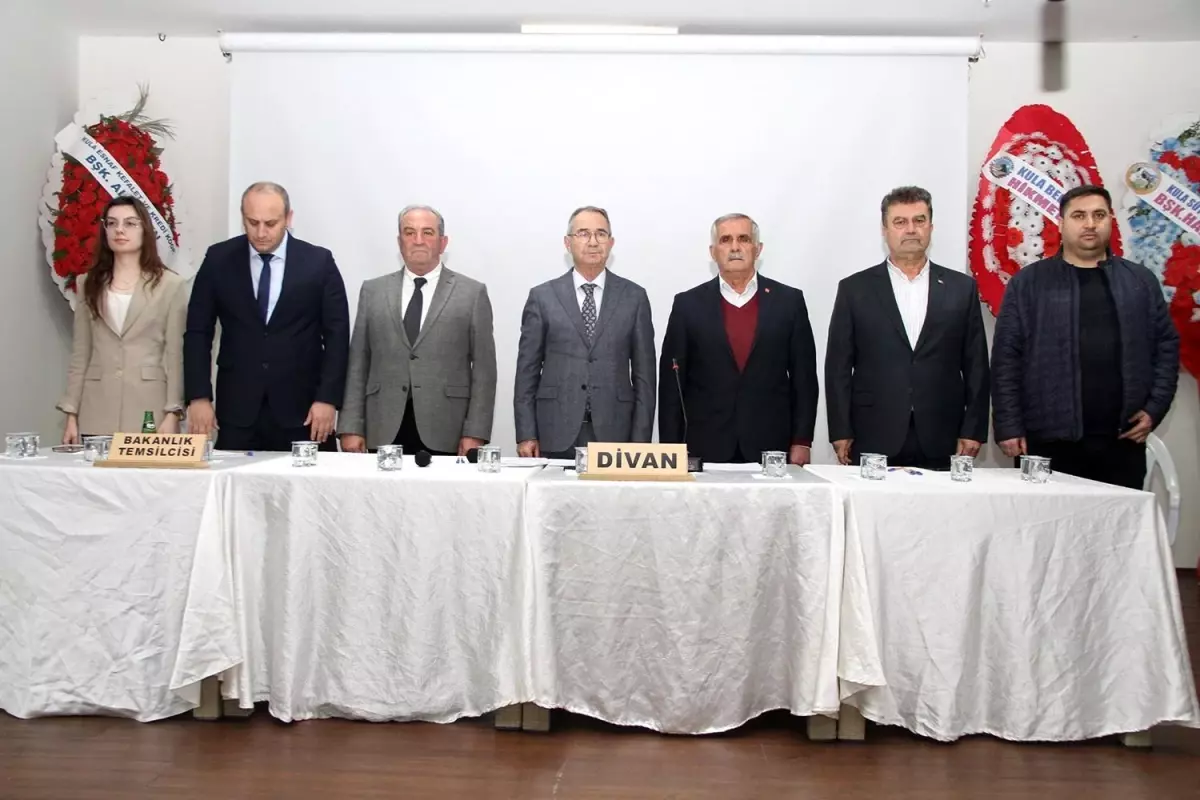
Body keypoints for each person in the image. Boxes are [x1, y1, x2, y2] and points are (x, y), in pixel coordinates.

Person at [992, 184, 1179, 489]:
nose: (1090, 224)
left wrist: (1154, 408)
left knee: (1119, 521)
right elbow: (1006, 358)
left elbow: (1166, 346)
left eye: (1098, 215)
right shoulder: (1029, 283)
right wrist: (1009, 424)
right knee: (1046, 521)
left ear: (1110, 220)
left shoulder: (1139, 281)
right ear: (1061, 223)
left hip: (1122, 441)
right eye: (1079, 216)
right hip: (1047, 443)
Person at [825, 186, 990, 470]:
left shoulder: (961, 288)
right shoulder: (855, 289)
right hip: (873, 431)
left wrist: (973, 429)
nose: (911, 229)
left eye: (919, 220)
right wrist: (840, 430)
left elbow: (976, 364)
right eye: (900, 222)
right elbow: (838, 366)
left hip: (943, 433)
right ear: (885, 230)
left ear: (931, 227)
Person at [184, 182, 350, 451]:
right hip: (237, 410)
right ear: (242, 218)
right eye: (252, 222)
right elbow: (197, 332)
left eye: (271, 224)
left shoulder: (318, 262)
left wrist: (328, 399)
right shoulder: (218, 259)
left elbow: (337, 337)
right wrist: (198, 396)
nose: (261, 233)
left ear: (288, 218)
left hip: (304, 412)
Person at [658, 213, 818, 464]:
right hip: (704, 446)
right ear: (713, 251)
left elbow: (804, 379)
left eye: (743, 239)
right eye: (725, 240)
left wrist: (802, 441)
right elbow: (672, 386)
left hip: (771, 447)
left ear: (758, 248)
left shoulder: (789, 302)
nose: (735, 247)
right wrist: (670, 447)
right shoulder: (687, 305)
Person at [339, 205, 496, 456]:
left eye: (428, 232)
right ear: (399, 241)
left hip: (447, 429)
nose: (418, 240)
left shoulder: (472, 293)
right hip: (382, 428)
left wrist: (475, 432)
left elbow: (484, 371)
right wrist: (350, 426)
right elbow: (358, 362)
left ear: (443, 242)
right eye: (410, 232)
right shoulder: (373, 291)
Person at [514, 206, 656, 459]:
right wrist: (526, 433)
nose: (593, 242)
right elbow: (527, 372)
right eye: (583, 233)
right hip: (554, 430)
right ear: (567, 243)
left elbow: (645, 376)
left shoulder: (634, 297)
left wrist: (640, 440)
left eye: (601, 234)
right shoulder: (542, 297)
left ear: (611, 243)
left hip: (616, 433)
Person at [58, 196, 188, 440]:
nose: (119, 230)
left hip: (149, 407)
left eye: (129, 223)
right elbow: (81, 353)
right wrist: (71, 413)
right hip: (96, 409)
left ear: (144, 230)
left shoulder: (170, 285)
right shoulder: (88, 283)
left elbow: (175, 356)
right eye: (112, 223)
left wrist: (173, 411)